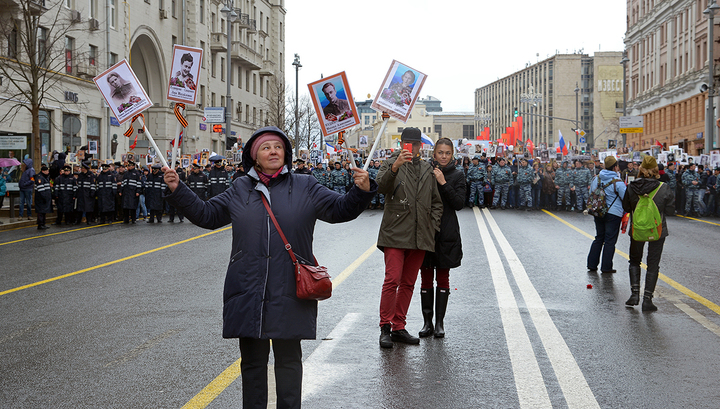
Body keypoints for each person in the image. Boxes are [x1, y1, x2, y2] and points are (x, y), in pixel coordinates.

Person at [162, 125, 376, 409]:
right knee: (252, 364)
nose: (273, 151)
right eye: (266, 147)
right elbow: (207, 215)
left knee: (288, 363)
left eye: (278, 146)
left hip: (290, 287)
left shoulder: (305, 185)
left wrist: (361, 192)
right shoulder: (239, 188)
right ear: (254, 156)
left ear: (285, 153)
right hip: (248, 287)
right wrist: (179, 189)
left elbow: (340, 210)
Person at [376, 127, 443, 348]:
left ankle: (399, 326)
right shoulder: (391, 163)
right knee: (392, 280)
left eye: (415, 144)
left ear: (420, 146)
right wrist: (395, 167)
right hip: (395, 232)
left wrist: (431, 226)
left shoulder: (426, 168)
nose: (412, 148)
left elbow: (436, 203)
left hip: (420, 234)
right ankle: (385, 326)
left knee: (408, 283)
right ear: (401, 143)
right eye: (408, 143)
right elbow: (381, 186)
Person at [418, 138, 465, 338]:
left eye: (447, 153)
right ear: (434, 154)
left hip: (447, 230)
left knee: (443, 276)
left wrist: (443, 183)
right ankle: (427, 323)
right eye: (440, 153)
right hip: (427, 230)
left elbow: (459, 203)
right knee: (426, 276)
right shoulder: (425, 171)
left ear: (452, 154)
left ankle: (439, 323)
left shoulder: (457, 175)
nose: (444, 156)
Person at [622, 155, 675, 311]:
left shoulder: (632, 187)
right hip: (657, 229)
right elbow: (671, 210)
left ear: (641, 169)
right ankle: (647, 300)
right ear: (656, 170)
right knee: (653, 264)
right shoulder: (663, 187)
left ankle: (634, 294)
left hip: (637, 228)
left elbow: (626, 207)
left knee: (634, 260)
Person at [587, 156, 626, 274]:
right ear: (615, 167)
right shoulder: (617, 182)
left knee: (599, 237)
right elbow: (625, 198)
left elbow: (591, 193)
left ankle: (592, 264)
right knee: (610, 240)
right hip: (613, 214)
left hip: (598, 211)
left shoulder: (596, 179)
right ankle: (606, 267)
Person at [34, 165, 52, 230]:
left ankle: (43, 224)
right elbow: (41, 189)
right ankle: (40, 224)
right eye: (47, 171)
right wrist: (44, 197)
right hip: (40, 198)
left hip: (44, 197)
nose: (48, 172)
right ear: (43, 171)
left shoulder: (45, 177)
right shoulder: (40, 178)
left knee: (44, 211)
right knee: (41, 212)